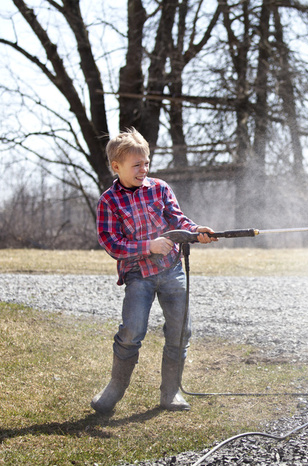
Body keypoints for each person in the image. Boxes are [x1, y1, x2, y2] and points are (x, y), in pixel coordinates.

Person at [91, 128, 216, 413]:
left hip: (172, 270)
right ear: (116, 167)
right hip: (138, 276)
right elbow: (112, 244)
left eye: (146, 163)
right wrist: (148, 246)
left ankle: (170, 393)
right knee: (132, 330)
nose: (143, 169)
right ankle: (114, 388)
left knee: (181, 331)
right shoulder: (109, 202)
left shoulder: (159, 188)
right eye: (136, 165)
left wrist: (197, 231)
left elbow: (178, 219)